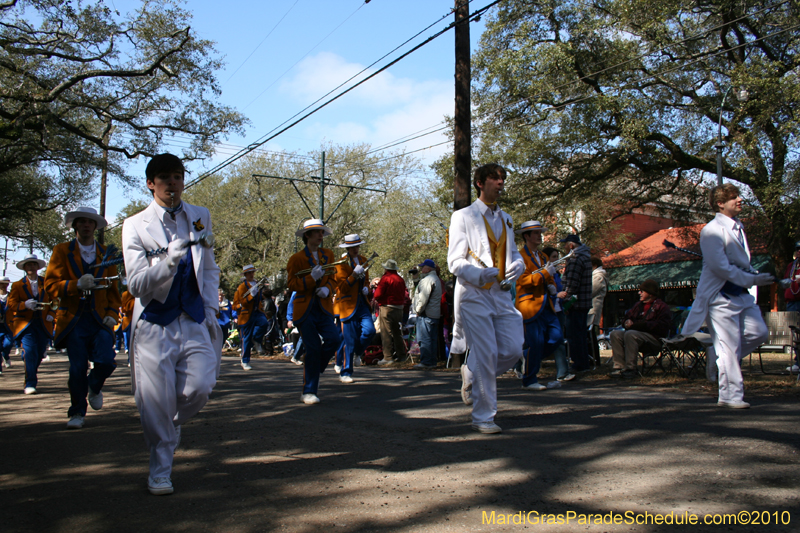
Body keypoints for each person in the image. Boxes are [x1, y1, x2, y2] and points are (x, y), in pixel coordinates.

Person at [122, 153, 222, 495]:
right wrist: (167, 263)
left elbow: (209, 268)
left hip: (193, 317)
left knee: (200, 386)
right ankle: (160, 470)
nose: (171, 183)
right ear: (151, 183)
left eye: (177, 176)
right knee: (155, 401)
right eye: (164, 178)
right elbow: (135, 285)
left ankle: (167, 423)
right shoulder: (134, 225)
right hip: (155, 323)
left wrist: (210, 307)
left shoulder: (200, 216)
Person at [448, 163, 525, 434]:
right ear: (480, 183)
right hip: (474, 293)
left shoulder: (507, 219)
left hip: (502, 294)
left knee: (514, 348)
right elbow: (454, 262)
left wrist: (519, 265)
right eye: (494, 178)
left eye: (502, 177)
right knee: (487, 352)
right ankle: (483, 417)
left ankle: (471, 369)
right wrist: (480, 275)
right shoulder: (463, 216)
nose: (500, 182)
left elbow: (513, 253)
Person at [680, 183, 773, 409]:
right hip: (720, 297)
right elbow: (720, 267)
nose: (739, 200)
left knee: (759, 333)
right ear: (720, 203)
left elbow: (740, 262)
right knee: (729, 349)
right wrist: (752, 280)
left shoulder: (738, 227)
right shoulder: (711, 230)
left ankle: (717, 353)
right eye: (733, 197)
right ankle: (731, 396)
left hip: (741, 295)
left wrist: (753, 275)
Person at [44, 206, 122, 429]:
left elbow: (113, 290)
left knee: (107, 361)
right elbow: (49, 285)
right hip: (74, 319)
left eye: (91, 222)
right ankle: (77, 411)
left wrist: (112, 314)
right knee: (77, 367)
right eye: (82, 221)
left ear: (95, 227)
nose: (86, 225)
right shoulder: (61, 251)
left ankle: (94, 386)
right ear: (75, 225)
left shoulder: (107, 253)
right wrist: (74, 285)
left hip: (99, 319)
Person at [286, 218, 342, 404]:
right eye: (318, 232)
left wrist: (328, 289)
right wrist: (310, 279)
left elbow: (333, 278)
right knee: (313, 347)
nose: (321, 235)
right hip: (305, 309)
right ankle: (309, 391)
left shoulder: (329, 255)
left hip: (324, 307)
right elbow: (291, 283)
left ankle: (316, 364)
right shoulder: (296, 259)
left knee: (334, 339)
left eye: (322, 232)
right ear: (307, 235)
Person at [514, 221, 573, 389]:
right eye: (536, 233)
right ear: (527, 236)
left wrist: (551, 284)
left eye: (540, 232)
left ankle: (529, 357)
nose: (540, 235)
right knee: (536, 343)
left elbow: (547, 275)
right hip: (529, 305)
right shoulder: (519, 257)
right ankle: (530, 379)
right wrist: (545, 274)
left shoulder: (543, 256)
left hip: (547, 305)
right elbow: (523, 281)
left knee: (556, 338)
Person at [8, 254, 56, 394]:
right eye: (28, 265)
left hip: (43, 323)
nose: (31, 267)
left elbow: (55, 301)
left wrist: (51, 314)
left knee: (39, 353)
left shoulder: (46, 283)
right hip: (25, 324)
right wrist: (24, 305)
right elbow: (12, 304)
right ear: (24, 268)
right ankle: (30, 383)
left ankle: (30, 369)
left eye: (33, 264)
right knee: (30, 352)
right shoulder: (17, 285)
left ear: (37, 267)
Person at [333, 234, 375, 383]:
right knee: (349, 340)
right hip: (347, 305)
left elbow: (367, 281)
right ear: (348, 248)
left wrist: (366, 288)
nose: (355, 249)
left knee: (370, 331)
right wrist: (353, 276)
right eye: (352, 247)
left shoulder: (363, 260)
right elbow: (342, 288)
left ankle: (358, 352)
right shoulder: (340, 264)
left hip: (362, 303)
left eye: (357, 246)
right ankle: (346, 372)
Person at [609, 279, 672, 379]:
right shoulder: (638, 305)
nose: (639, 293)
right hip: (635, 336)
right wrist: (626, 322)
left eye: (642, 291)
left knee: (631, 334)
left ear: (650, 293)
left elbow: (662, 327)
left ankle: (631, 369)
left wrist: (641, 325)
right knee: (615, 334)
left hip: (654, 338)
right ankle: (619, 367)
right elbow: (627, 317)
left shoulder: (661, 307)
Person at [557, 234, 593, 373]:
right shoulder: (586, 257)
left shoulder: (575, 259)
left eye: (565, 245)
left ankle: (579, 364)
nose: (564, 248)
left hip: (575, 304)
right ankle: (584, 362)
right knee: (581, 334)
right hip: (584, 302)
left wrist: (566, 302)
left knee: (574, 335)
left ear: (571, 245)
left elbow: (571, 284)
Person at [373, 259, 409, 366]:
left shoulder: (385, 278)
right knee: (397, 333)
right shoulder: (400, 279)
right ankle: (401, 355)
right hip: (399, 308)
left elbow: (377, 294)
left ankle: (388, 357)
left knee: (386, 333)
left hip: (387, 307)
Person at [232, 265, 269, 370]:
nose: (251, 274)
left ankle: (256, 339)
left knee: (264, 324)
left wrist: (262, 309)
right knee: (246, 339)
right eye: (249, 273)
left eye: (252, 272)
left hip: (257, 312)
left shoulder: (256, 284)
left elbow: (259, 300)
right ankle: (245, 360)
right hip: (246, 315)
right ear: (245, 275)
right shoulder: (242, 287)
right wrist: (251, 296)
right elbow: (241, 302)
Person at [412, 259, 442, 369]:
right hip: (434, 314)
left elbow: (423, 298)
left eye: (423, 267)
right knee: (432, 339)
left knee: (424, 338)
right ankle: (432, 361)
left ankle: (426, 362)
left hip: (426, 314)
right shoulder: (435, 279)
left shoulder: (428, 280)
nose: (421, 269)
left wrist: (418, 311)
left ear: (428, 268)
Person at [587, 257, 608, 365]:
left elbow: (590, 291)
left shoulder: (598, 276)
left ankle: (594, 359)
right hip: (591, 308)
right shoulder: (596, 276)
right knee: (589, 336)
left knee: (590, 335)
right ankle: (592, 358)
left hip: (592, 309)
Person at [782, 241, 800, 313]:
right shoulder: (791, 265)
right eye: (797, 249)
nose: (799, 251)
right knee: (792, 324)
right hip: (791, 303)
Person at [0, 276, 12, 372]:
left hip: (9, 325)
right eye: (1, 283)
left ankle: (6, 356)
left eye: (5, 283)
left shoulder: (11, 296)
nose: (3, 285)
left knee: (8, 345)